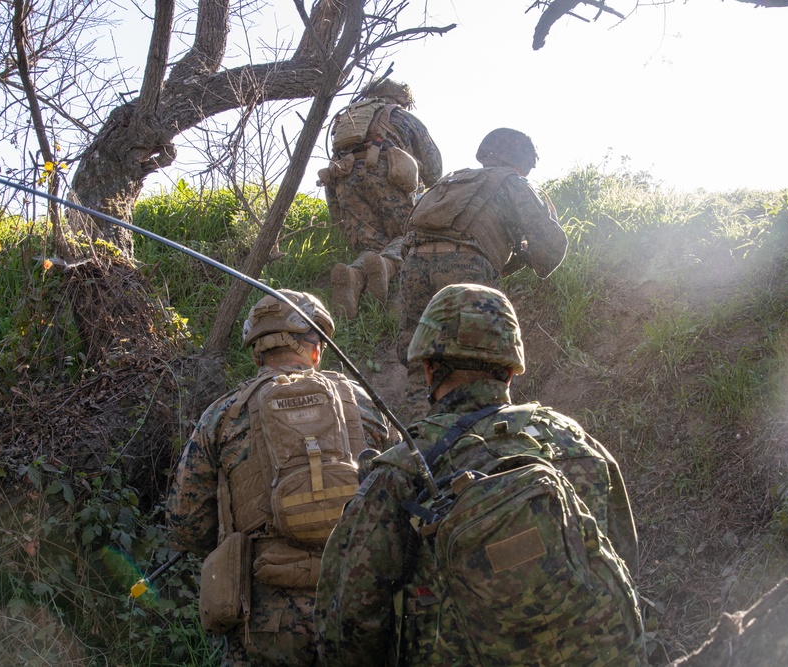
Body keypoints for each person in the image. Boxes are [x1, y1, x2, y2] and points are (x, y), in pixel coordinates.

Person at [316, 284, 645, 667]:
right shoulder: (574, 442)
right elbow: (621, 560)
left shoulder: (403, 469)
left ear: (428, 369)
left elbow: (349, 623)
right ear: (510, 370)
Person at [166, 290, 397, 667]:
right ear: (316, 350)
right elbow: (399, 503)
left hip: (263, 621)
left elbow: (185, 526)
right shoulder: (370, 407)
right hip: (357, 611)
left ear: (257, 354)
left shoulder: (222, 416)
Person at [396, 127, 569, 422]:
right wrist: (526, 257)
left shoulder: (450, 182)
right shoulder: (512, 183)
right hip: (466, 267)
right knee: (476, 360)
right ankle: (474, 441)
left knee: (422, 361)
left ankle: (420, 440)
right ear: (521, 162)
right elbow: (551, 247)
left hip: (412, 266)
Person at [318, 78, 443, 319]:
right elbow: (434, 169)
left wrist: (336, 213)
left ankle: (354, 274)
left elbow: (334, 165)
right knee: (407, 235)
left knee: (372, 246)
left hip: (344, 183)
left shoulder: (347, 121)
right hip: (386, 175)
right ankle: (386, 266)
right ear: (401, 99)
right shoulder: (400, 116)